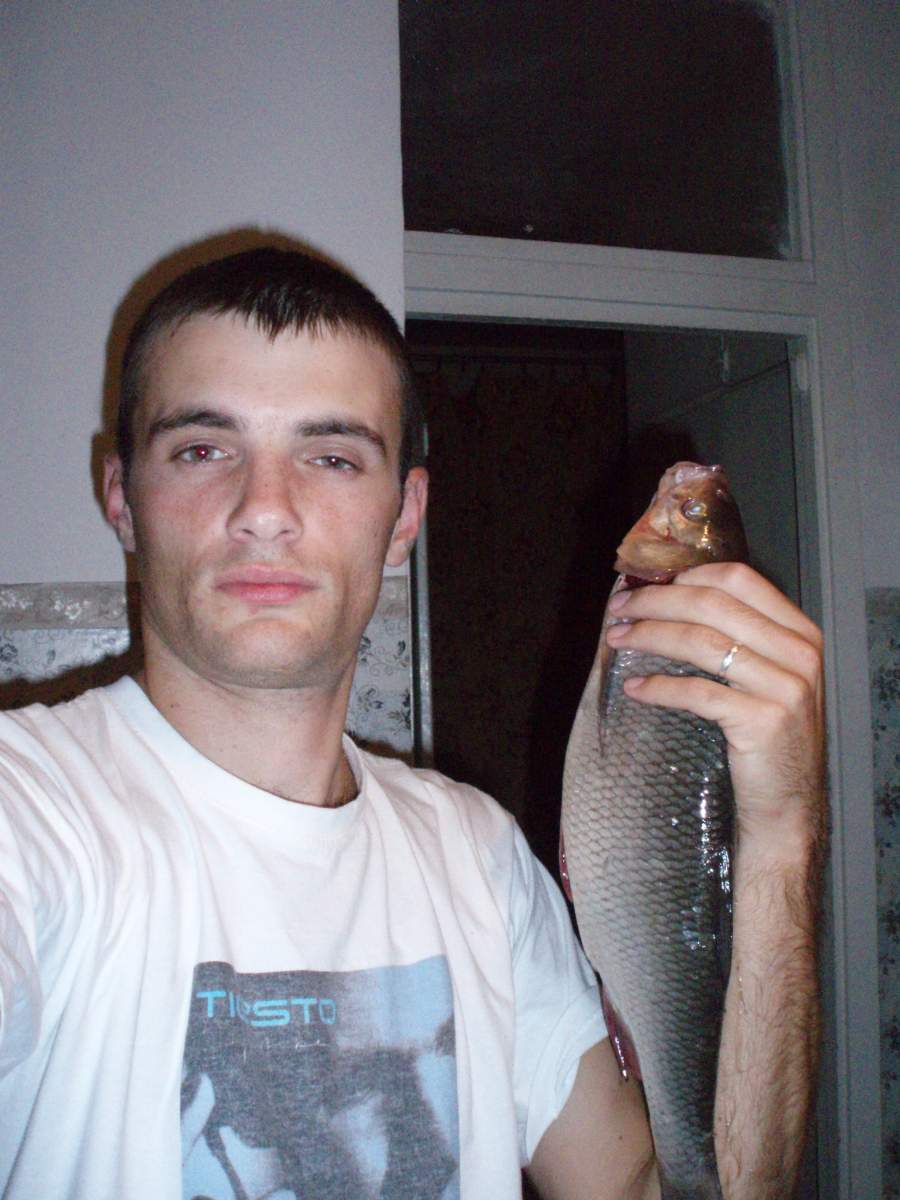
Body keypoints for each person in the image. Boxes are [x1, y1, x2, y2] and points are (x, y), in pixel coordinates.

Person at [0, 247, 825, 1199]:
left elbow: (667, 1189)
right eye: (202, 449)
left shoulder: (478, 854)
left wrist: (784, 834)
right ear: (121, 498)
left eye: (332, 457)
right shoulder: (31, 811)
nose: (264, 511)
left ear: (404, 515)